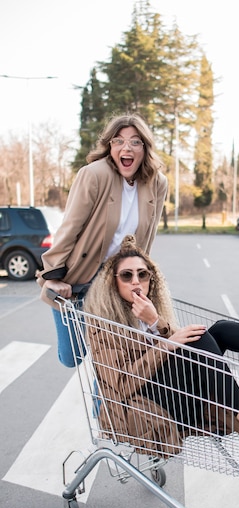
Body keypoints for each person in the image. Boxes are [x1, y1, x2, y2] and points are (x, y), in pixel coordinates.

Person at [83, 235, 239, 452]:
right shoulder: (103, 326)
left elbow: (177, 344)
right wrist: (166, 345)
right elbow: (121, 385)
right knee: (199, 337)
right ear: (114, 283)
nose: (136, 281)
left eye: (143, 274)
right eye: (127, 275)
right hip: (144, 408)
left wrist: (156, 323)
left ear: (152, 280)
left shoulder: (150, 312)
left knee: (218, 330)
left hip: (177, 397)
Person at [36, 113, 168, 367]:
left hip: (117, 280)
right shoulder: (94, 175)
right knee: (72, 357)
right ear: (110, 146)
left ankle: (104, 408)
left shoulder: (157, 183)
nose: (126, 147)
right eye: (118, 141)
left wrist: (141, 278)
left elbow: (148, 237)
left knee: (114, 360)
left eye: (135, 142)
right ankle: (72, 310)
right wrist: (52, 274)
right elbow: (70, 227)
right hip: (82, 277)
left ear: (145, 148)